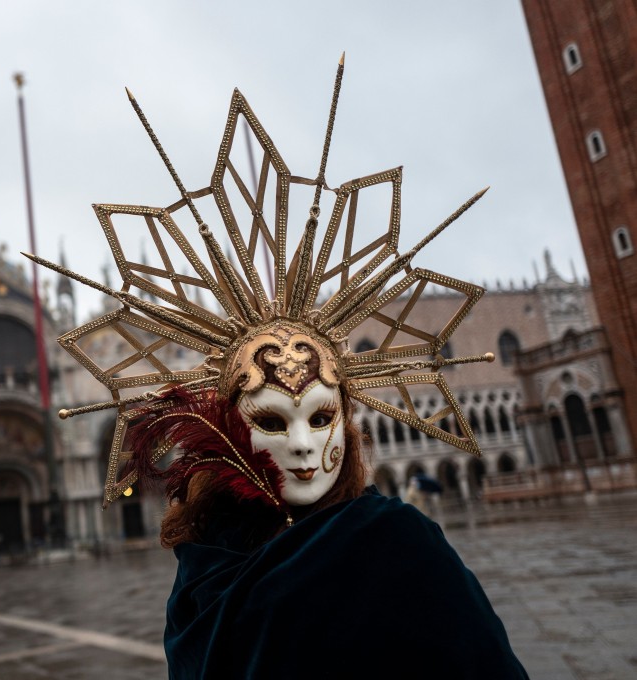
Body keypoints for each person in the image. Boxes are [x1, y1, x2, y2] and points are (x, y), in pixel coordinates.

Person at [32, 59, 528, 678]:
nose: (299, 445)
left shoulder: (215, 575)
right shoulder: (216, 575)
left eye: (320, 416)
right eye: (270, 419)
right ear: (230, 432)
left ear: (345, 421)